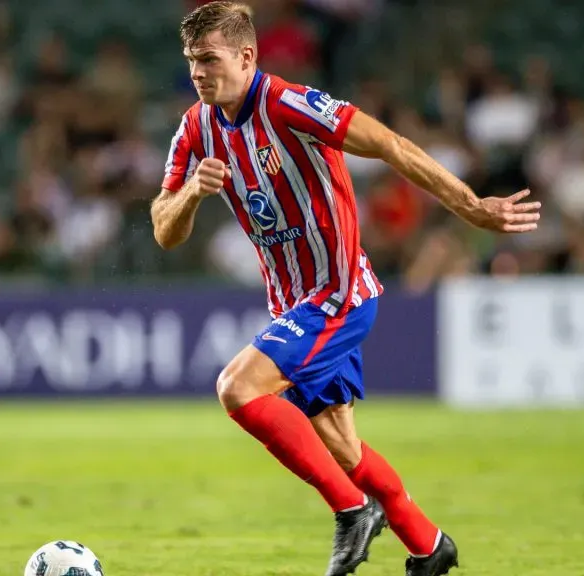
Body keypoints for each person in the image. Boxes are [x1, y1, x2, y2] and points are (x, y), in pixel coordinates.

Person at [150, 2, 541, 575]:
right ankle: (429, 545)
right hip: (291, 302)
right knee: (343, 448)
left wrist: (471, 206)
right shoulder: (196, 127)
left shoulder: (288, 103)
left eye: (209, 59)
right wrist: (192, 193)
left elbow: (389, 144)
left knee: (237, 388)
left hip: (338, 294)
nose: (198, 73)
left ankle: (352, 511)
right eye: (191, 62)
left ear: (247, 55)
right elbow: (165, 230)